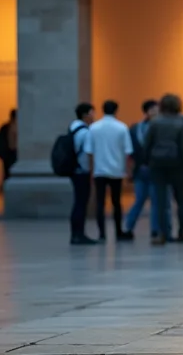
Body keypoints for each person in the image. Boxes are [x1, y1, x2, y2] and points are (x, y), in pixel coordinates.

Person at [143, 94, 183, 245]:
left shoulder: (155, 122)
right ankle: (181, 233)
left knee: (159, 200)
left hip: (158, 164)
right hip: (177, 164)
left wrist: (146, 161)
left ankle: (161, 233)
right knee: (180, 200)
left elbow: (147, 144)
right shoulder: (182, 123)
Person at [89, 100, 133, 242]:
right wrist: (128, 170)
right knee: (116, 202)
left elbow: (89, 151)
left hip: (99, 170)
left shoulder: (94, 128)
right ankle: (118, 231)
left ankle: (102, 233)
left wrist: (91, 170)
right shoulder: (122, 128)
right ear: (116, 110)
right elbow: (128, 151)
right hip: (116, 170)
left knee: (100, 202)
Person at [122, 99, 158, 241]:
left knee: (155, 201)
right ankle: (129, 227)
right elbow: (130, 152)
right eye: (154, 110)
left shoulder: (139, 128)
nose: (156, 112)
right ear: (147, 112)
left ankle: (155, 230)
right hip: (141, 170)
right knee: (140, 200)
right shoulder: (136, 129)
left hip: (153, 169)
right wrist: (129, 169)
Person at [66, 102, 97, 245]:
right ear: (85, 115)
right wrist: (91, 171)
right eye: (92, 113)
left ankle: (76, 233)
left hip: (74, 170)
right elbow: (89, 154)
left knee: (77, 202)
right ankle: (79, 234)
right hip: (82, 171)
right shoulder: (86, 132)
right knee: (81, 203)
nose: (93, 116)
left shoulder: (73, 127)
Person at [0, 109, 18, 184]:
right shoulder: (22, 127)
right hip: (12, 153)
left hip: (9, 153)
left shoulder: (5, 127)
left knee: (8, 173)